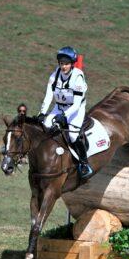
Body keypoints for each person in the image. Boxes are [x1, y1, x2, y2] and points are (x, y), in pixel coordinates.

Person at [39, 46, 92, 178]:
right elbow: (48, 96)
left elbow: (77, 103)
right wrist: (42, 112)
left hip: (75, 109)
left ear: (72, 64)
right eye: (61, 63)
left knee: (73, 136)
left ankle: (84, 163)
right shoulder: (54, 75)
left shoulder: (78, 77)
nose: (63, 67)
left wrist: (64, 116)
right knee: (45, 128)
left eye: (67, 64)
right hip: (59, 107)